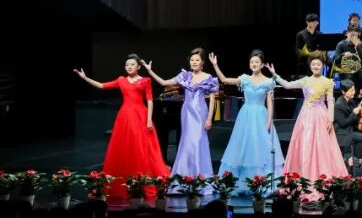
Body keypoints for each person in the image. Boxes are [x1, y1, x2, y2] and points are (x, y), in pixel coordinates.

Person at [73, 55, 169, 198]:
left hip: (140, 115)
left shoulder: (145, 80)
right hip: (125, 117)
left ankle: (142, 179)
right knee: (124, 147)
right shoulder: (121, 80)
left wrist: (149, 119)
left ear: (139, 67)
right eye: (127, 64)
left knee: (141, 146)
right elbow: (101, 86)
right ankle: (126, 180)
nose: (129, 66)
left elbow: (150, 100)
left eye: (132, 64)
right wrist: (85, 78)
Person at [143, 49, 219, 194]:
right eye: (192, 60)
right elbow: (164, 82)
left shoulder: (208, 77)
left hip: (200, 113)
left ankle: (199, 179)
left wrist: (209, 119)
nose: (194, 62)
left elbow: (213, 100)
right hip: (187, 113)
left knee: (198, 142)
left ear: (202, 62)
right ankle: (184, 179)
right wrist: (149, 70)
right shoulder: (185, 76)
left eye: (197, 60)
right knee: (186, 143)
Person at [273, 55, 349, 200]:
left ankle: (323, 180)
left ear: (322, 66)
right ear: (310, 66)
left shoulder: (327, 82)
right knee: (305, 146)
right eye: (313, 64)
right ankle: (304, 178)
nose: (316, 67)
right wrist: (275, 75)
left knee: (322, 147)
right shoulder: (305, 80)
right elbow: (287, 85)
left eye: (318, 65)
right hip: (306, 117)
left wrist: (330, 119)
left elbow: (330, 101)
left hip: (321, 116)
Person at [212, 50, 283, 188]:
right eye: (252, 62)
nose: (254, 64)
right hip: (246, 116)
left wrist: (269, 121)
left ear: (262, 64)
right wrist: (215, 65)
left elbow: (270, 104)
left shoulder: (268, 82)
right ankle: (242, 181)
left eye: (257, 62)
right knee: (244, 146)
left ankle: (262, 181)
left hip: (261, 116)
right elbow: (225, 80)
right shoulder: (245, 79)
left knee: (261, 147)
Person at [334, 78, 362, 173]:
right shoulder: (339, 105)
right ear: (343, 92)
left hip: (351, 129)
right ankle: (351, 160)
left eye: (354, 90)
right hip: (343, 132)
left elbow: (357, 112)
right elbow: (343, 123)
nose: (353, 92)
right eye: (351, 91)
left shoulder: (350, 101)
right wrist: (354, 113)